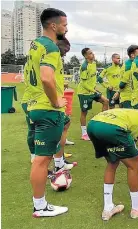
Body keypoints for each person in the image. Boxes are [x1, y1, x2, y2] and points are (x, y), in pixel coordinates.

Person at [26, 8, 70, 217]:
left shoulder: (36, 44)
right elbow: (46, 77)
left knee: (39, 159)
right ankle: (40, 206)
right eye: (64, 25)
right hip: (47, 109)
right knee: (42, 160)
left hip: (34, 106)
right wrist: (56, 101)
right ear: (53, 26)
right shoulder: (51, 47)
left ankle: (40, 204)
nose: (66, 28)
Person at [87, 109, 138, 220]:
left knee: (112, 162)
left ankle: (108, 208)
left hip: (93, 125)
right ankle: (136, 208)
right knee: (134, 164)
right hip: (112, 127)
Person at [77, 48, 109, 141]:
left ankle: (101, 125)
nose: (93, 54)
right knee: (84, 112)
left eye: (92, 52)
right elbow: (83, 83)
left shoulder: (94, 64)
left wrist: (94, 88)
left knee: (105, 101)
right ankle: (84, 133)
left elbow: (92, 79)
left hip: (92, 91)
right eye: (90, 53)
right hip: (84, 93)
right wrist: (93, 90)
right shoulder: (84, 66)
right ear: (86, 56)